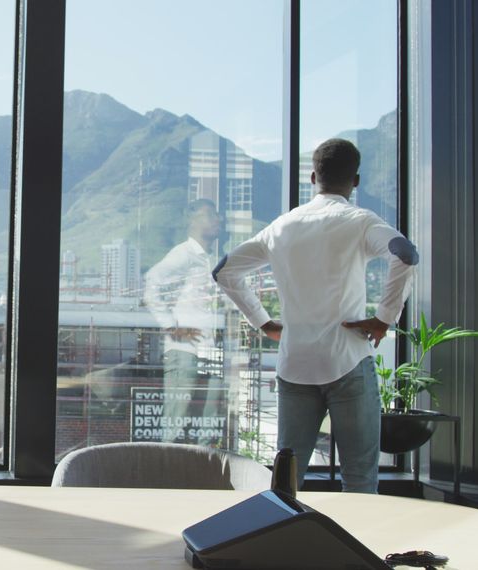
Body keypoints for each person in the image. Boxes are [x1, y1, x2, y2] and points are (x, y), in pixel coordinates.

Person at [212, 139, 417, 493]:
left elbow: (223, 271)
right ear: (355, 181)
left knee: (286, 479)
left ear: (312, 177)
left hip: (296, 365)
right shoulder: (360, 221)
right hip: (348, 359)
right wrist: (385, 317)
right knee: (359, 476)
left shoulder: (280, 227)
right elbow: (406, 254)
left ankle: (283, 542)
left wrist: (263, 322)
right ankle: (357, 546)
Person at [144, 199, 231, 448]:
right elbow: (152, 285)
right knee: (176, 421)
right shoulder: (184, 254)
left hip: (209, 351)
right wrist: (172, 327)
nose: (218, 220)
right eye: (210, 215)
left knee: (208, 424)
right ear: (191, 221)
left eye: (217, 215)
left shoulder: (209, 259)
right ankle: (165, 479)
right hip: (185, 351)